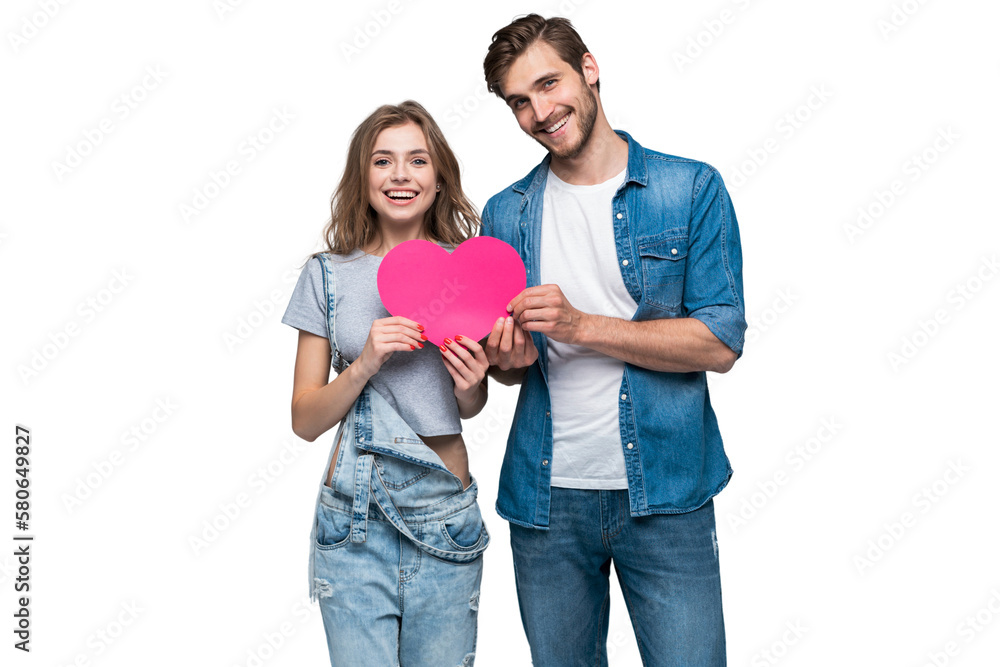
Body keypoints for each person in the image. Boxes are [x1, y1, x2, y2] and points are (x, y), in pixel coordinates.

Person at [479, 14, 747, 666]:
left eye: (549, 83)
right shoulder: (504, 213)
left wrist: (582, 326)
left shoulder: (691, 188)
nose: (541, 111)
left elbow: (721, 341)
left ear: (589, 68)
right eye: (520, 101)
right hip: (545, 505)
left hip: (669, 496)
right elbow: (512, 368)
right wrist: (505, 361)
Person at [281, 100, 490, 667]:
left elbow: (466, 405)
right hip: (354, 522)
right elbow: (305, 421)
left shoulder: (469, 270)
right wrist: (366, 361)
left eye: (418, 160)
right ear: (362, 176)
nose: (401, 174)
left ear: (439, 176)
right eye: (383, 161)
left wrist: (472, 386)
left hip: (444, 513)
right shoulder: (326, 274)